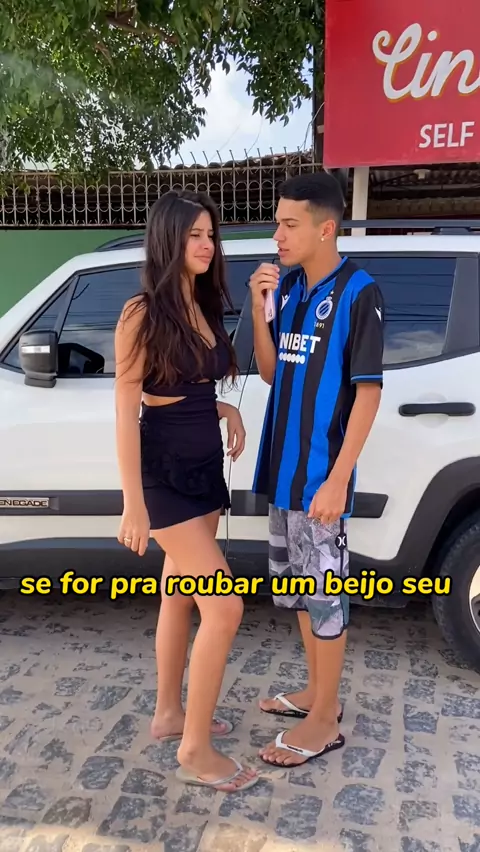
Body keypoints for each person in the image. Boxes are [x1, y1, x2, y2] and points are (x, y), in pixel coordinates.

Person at [114, 189, 258, 792]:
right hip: (165, 473)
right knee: (224, 606)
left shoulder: (202, 304)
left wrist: (226, 407)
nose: (207, 244)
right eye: (195, 234)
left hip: (204, 467)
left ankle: (169, 715)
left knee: (179, 596)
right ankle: (195, 750)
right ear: (169, 240)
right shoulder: (141, 313)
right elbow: (128, 410)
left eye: (211, 234)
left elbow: (187, 386)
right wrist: (133, 503)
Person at [249, 171, 384, 767]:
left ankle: (326, 721)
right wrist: (260, 310)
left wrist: (337, 478)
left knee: (325, 597)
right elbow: (271, 372)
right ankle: (315, 694)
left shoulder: (358, 292)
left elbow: (368, 393)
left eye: (289, 224)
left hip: (320, 481)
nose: (277, 235)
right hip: (283, 475)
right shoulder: (290, 287)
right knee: (300, 593)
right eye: (277, 224)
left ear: (326, 229)